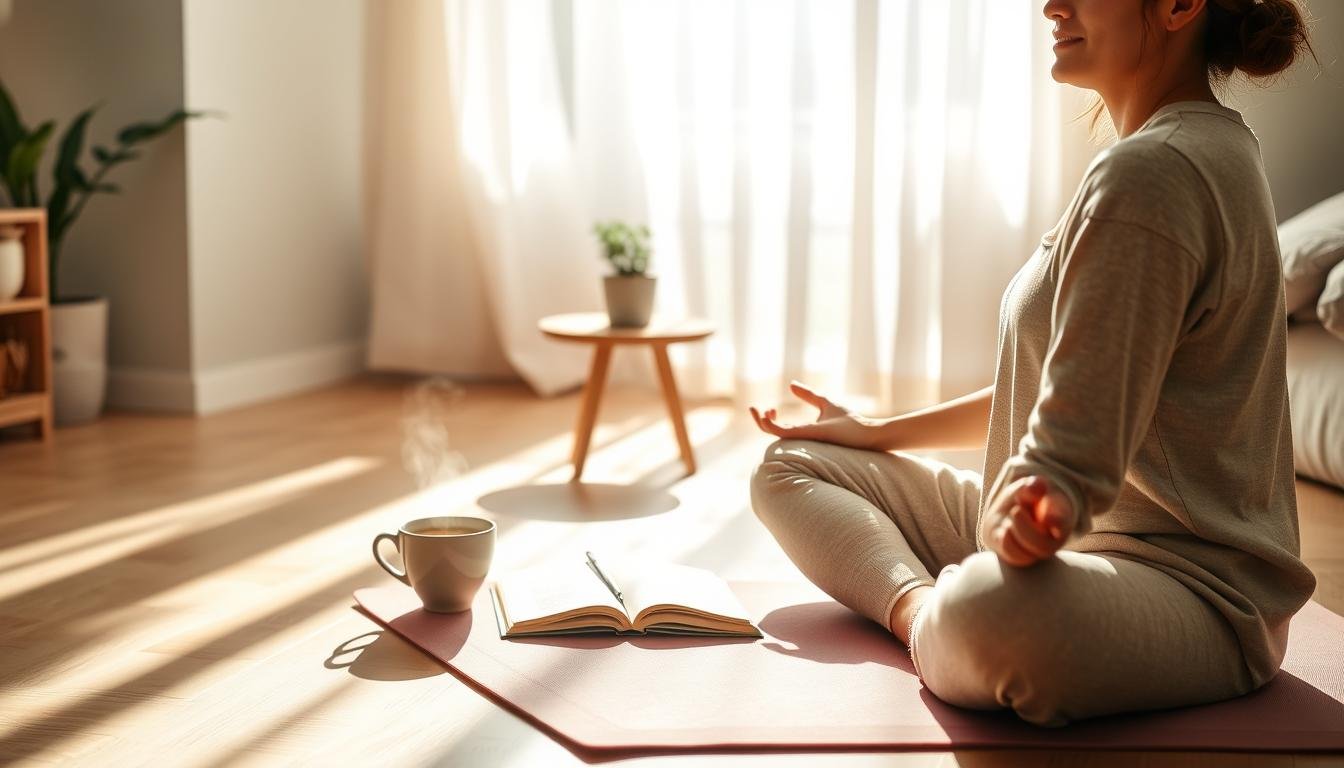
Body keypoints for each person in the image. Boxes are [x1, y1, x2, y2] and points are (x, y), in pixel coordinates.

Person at [747, 0, 1317, 726]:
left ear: (1178, 5)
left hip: (1192, 589)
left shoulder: (1156, 170)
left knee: (990, 613)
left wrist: (1051, 492)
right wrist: (875, 431)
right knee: (791, 463)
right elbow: (1065, 379)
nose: (1050, 3)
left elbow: (1071, 451)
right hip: (1062, 529)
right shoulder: (1177, 150)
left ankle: (937, 619)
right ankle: (931, 611)